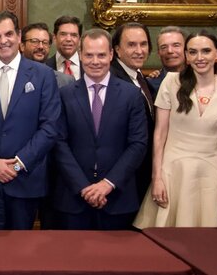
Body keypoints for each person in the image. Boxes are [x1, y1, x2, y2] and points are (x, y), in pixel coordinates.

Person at [134, 32, 217, 229]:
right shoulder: (171, 82)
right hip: (172, 172)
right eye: (193, 52)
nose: (199, 57)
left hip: (211, 173)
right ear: (186, 56)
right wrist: (156, 177)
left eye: (206, 51)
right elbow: (160, 134)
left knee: (208, 238)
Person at [0, 11, 60, 230]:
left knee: (21, 249)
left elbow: (50, 127)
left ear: (18, 36)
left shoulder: (43, 75)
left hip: (25, 180)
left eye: (8, 34)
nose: (3, 41)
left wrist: (17, 164)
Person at [51, 29, 148, 230]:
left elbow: (138, 144)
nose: (95, 61)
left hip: (117, 198)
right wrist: (83, 187)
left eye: (101, 55)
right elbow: (59, 144)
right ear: (80, 54)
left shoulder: (132, 95)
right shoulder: (64, 94)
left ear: (111, 54)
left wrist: (107, 184)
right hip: (73, 199)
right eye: (89, 55)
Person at [110, 21, 156, 204]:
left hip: (141, 173)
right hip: (123, 179)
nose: (139, 50)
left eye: (143, 44)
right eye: (131, 45)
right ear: (117, 50)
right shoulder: (112, 80)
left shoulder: (140, 77)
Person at [22, 22, 75, 87]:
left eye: (45, 42)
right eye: (34, 41)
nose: (41, 46)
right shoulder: (13, 76)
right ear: (22, 46)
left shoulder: (65, 81)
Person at [148, 26, 186, 92]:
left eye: (176, 45)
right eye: (164, 47)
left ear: (187, 49)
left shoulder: (199, 79)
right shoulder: (149, 85)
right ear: (158, 53)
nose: (170, 51)